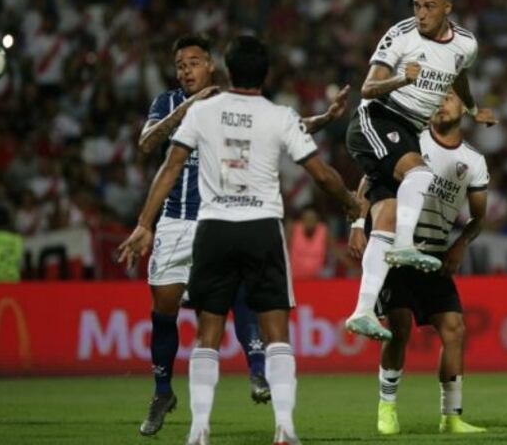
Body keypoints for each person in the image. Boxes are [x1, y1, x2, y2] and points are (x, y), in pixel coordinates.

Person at [119, 35, 362, 445]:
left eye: (193, 62)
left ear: (218, 68)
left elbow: (181, 159)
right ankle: (177, 395)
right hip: (217, 222)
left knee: (214, 320)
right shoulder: (185, 106)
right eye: (180, 64)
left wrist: (322, 118)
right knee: (193, 313)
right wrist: (351, 202)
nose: (185, 70)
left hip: (212, 222)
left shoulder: (211, 112)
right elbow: (151, 146)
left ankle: (225, 403)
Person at [344, 0, 496, 340]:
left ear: (448, 7)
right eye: (416, 5)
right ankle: (406, 246)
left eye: (429, 6)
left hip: (407, 131)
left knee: (387, 219)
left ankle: (362, 312)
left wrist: (473, 109)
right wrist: (401, 79)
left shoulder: (465, 44)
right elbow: (368, 87)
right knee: (422, 175)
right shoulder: (401, 35)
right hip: (376, 117)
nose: (421, 13)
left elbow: (458, 74)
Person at [349, 90, 489, 436]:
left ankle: (452, 416)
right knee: (399, 327)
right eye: (438, 97)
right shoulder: (413, 142)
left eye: (451, 98)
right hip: (397, 251)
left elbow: (479, 217)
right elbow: (369, 179)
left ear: (463, 109)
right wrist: (357, 223)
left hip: (436, 254)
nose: (443, 103)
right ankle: (387, 407)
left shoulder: (474, 161)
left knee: (455, 329)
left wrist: (459, 246)